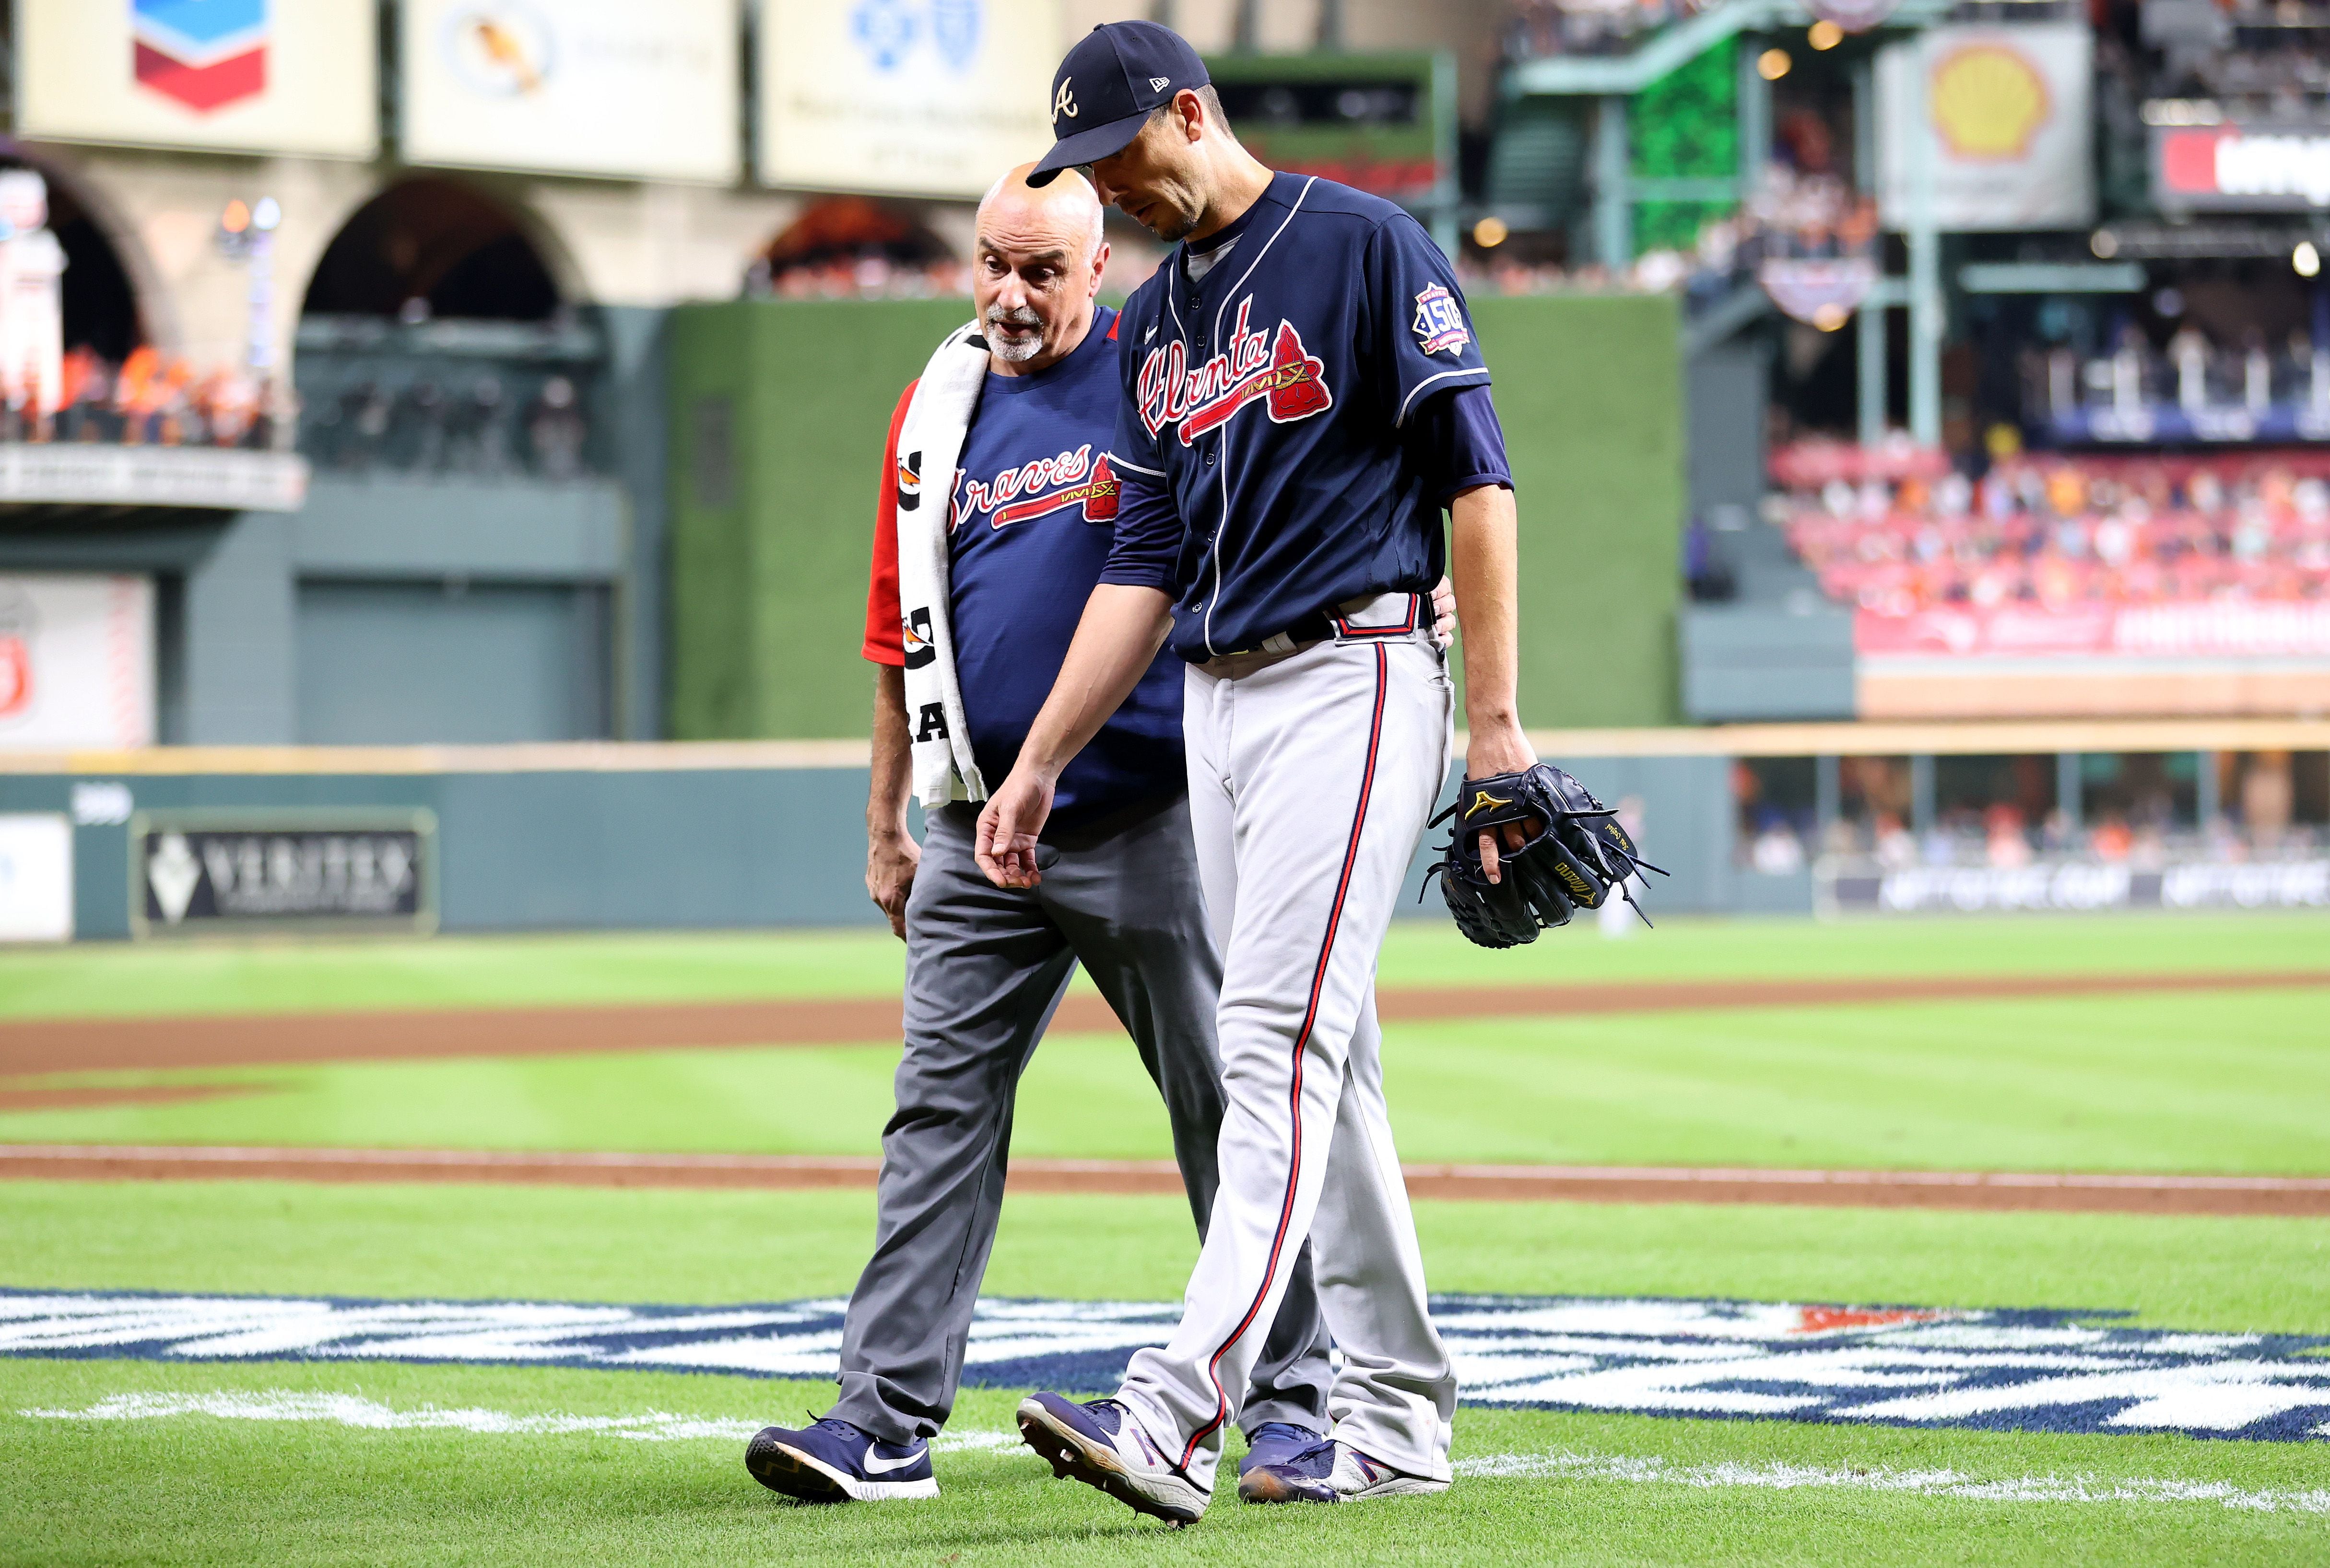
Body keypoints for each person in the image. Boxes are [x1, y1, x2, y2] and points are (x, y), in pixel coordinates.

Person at [978, 22, 1528, 1524]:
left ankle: (1172, 1413)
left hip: (1351, 673)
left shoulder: (1360, 243)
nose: (1114, 186)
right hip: (1217, 701)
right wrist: (1036, 767)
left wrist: (1495, 722)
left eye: (1120, 154)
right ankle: (1402, 1421)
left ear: (1192, 113)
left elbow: (1475, 478)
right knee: (1322, 1068)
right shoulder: (1156, 324)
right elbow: (1140, 566)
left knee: (1269, 1048)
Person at [741, 165, 1342, 1506]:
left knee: (1229, 1115)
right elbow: (895, 629)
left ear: (1102, 268)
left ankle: (1296, 1410)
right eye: (990, 264)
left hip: (1148, 816)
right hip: (969, 823)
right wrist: (886, 817)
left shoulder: (1163, 372)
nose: (1011, 295)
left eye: (1042, 271)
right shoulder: (940, 399)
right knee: (935, 1116)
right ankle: (885, 1423)